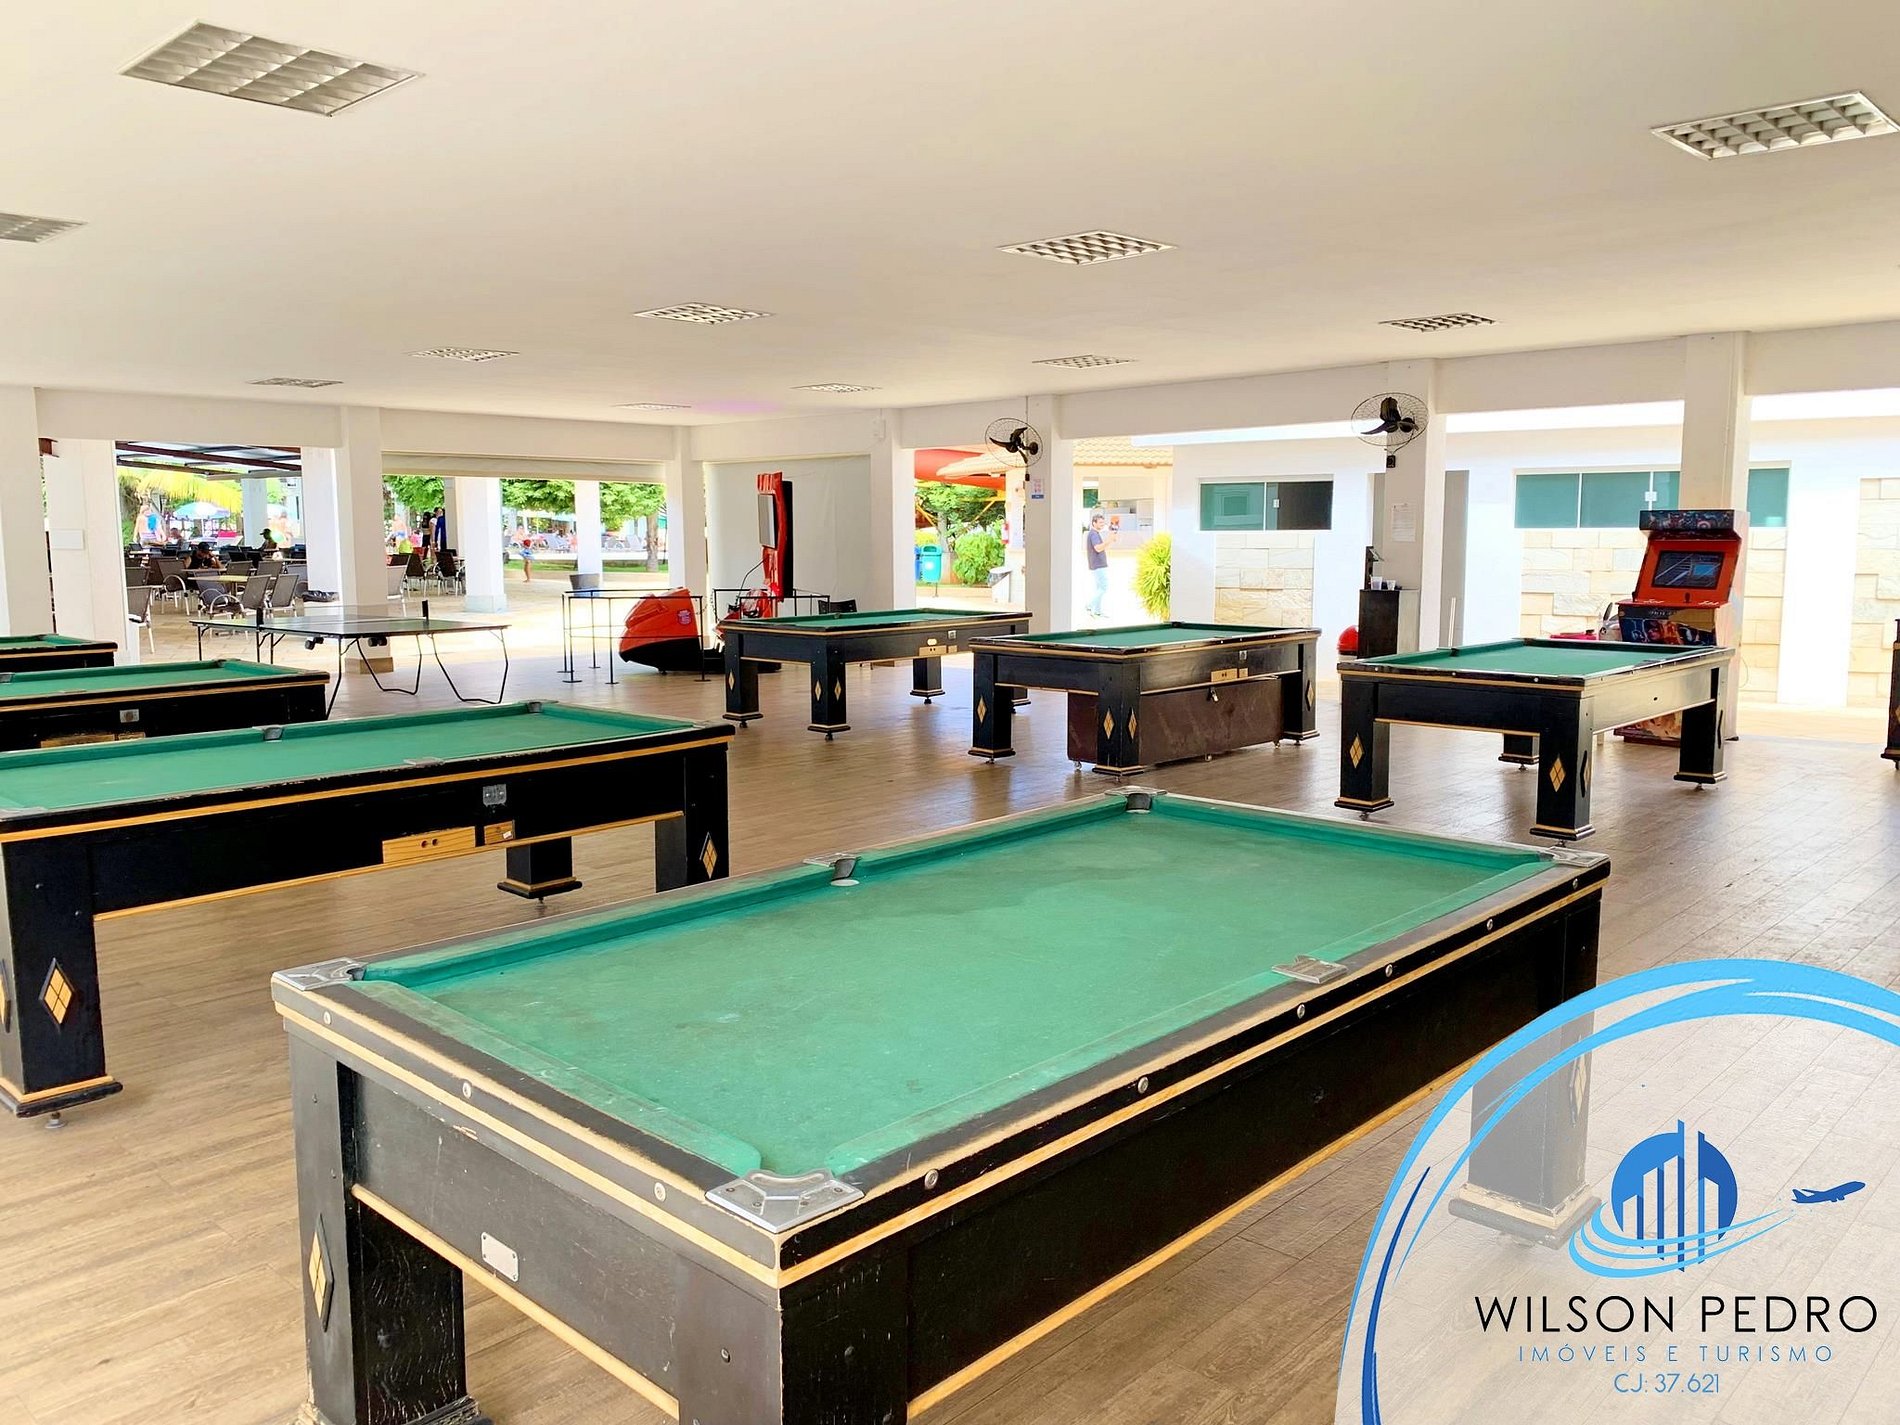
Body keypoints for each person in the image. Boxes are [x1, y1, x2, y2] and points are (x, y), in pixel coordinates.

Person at [1083, 512, 1113, 618]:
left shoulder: (1094, 534)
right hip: (1098, 565)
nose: (1102, 524)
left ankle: (1097, 611)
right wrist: (1109, 541)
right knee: (1104, 587)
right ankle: (1089, 605)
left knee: (1099, 588)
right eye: (1100, 522)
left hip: (1097, 565)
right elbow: (1098, 548)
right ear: (1094, 523)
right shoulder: (1094, 534)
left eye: (1103, 523)